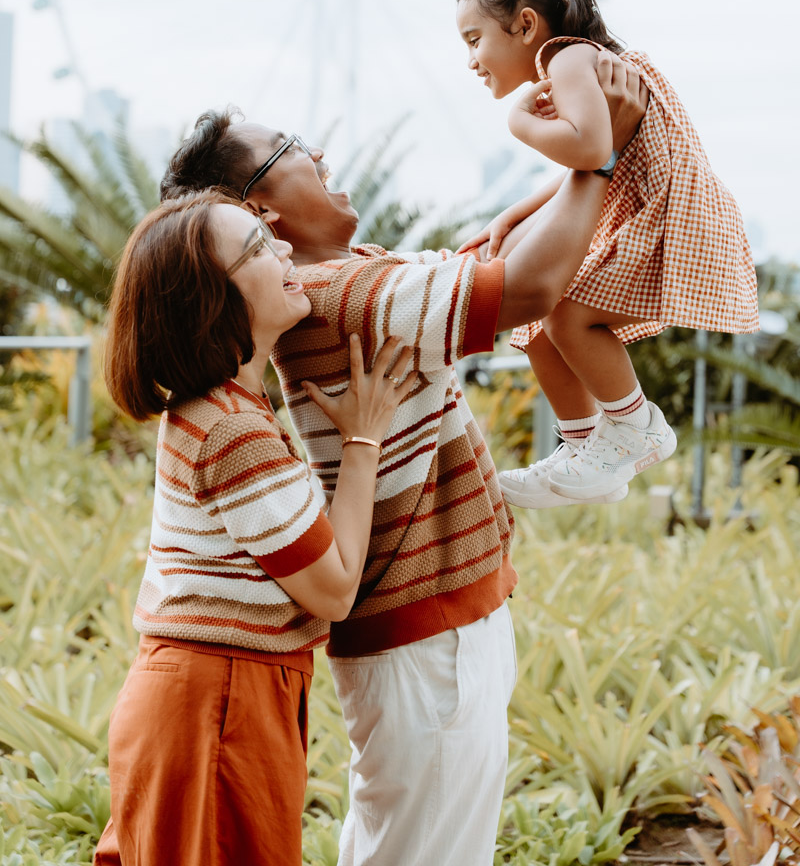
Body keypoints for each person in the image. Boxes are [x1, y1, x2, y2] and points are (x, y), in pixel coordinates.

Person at [158, 69, 645, 866]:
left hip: (437, 628)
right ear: (261, 212)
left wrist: (570, 174)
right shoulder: (335, 294)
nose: (318, 152)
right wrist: (597, 155)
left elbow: (491, 260)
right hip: (428, 636)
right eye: (290, 148)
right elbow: (529, 287)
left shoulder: (354, 270)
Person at [93, 191, 416, 866]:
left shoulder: (219, 408)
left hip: (206, 695)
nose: (286, 249)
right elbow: (333, 591)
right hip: (219, 700)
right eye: (258, 248)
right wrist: (362, 441)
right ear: (211, 300)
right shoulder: (234, 430)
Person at [456, 0, 759, 506]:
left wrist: (519, 122)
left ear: (525, 25)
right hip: (655, 213)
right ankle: (586, 451)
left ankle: (638, 428)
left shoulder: (568, 58)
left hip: (671, 222)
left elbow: (592, 151)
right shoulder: (580, 62)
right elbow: (597, 156)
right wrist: (516, 211)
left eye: (475, 40)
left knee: (568, 315)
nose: (471, 60)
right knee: (538, 324)